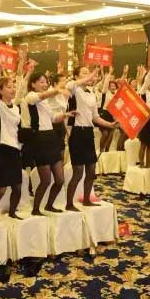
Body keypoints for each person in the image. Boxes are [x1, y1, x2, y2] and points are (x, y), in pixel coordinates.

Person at [65, 66, 117, 210]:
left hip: (88, 132)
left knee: (91, 170)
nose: (88, 76)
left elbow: (95, 117)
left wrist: (110, 124)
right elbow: (69, 85)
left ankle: (87, 199)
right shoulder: (74, 89)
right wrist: (93, 73)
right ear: (76, 76)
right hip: (77, 132)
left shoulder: (92, 94)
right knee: (78, 172)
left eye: (89, 73)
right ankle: (69, 204)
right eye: (84, 73)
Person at [25, 72, 74, 215]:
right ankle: (36, 209)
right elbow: (43, 95)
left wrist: (65, 115)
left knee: (60, 179)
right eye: (41, 82)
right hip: (39, 139)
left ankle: (49, 205)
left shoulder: (45, 101)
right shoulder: (31, 96)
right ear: (33, 84)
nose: (45, 84)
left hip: (51, 137)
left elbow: (53, 118)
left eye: (46, 82)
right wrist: (58, 89)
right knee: (45, 180)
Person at [0, 64, 26, 222]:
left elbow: (20, 92)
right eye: (9, 87)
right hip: (0, 150)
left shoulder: (15, 108)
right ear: (1, 91)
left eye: (13, 86)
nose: (13, 89)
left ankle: (12, 213)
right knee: (1, 189)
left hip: (14, 150)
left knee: (17, 187)